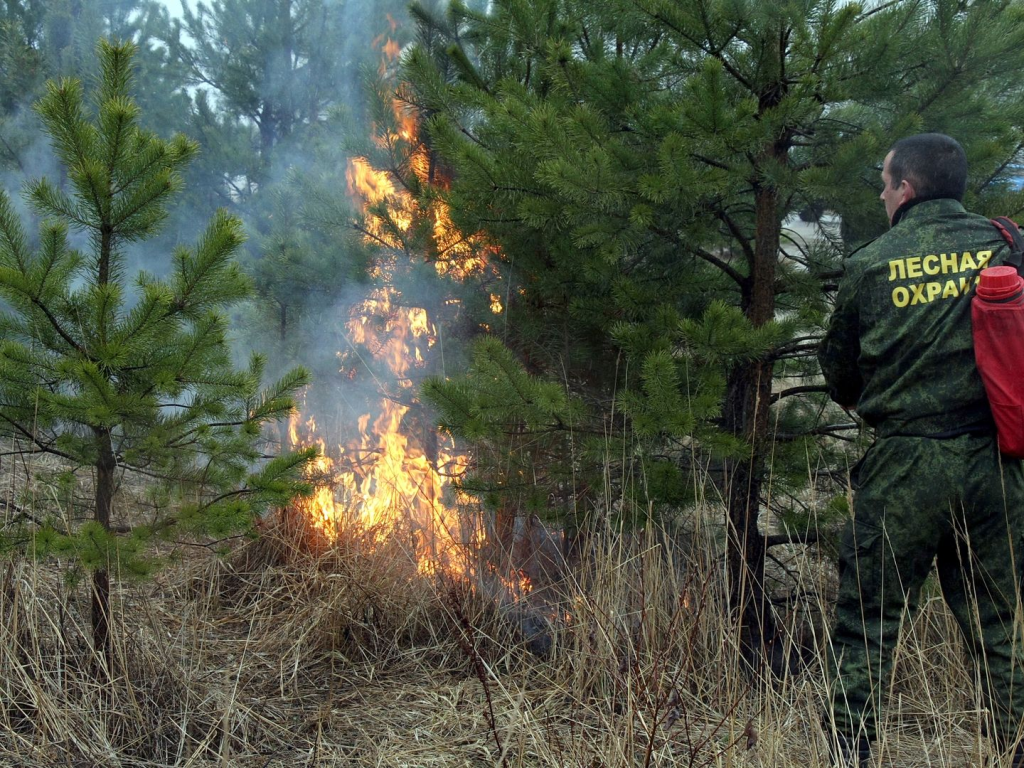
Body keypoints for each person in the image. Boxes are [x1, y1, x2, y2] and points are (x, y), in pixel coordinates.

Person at [819, 133, 1024, 766]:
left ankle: (849, 754)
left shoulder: (869, 263)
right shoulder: (1006, 247)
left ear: (905, 189)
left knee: (868, 622)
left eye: (884, 183)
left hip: (904, 467)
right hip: (995, 463)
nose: (881, 194)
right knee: (1000, 624)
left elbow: (840, 376)